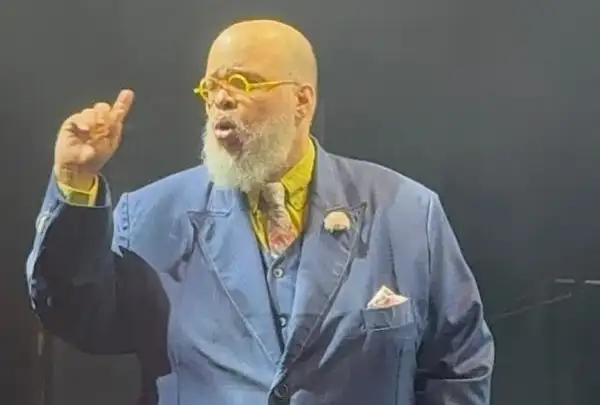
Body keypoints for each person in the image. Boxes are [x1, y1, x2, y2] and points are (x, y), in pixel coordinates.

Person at [26, 19, 495, 405]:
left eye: (242, 82)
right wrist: (75, 180)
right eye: (210, 86)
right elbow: (73, 314)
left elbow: (458, 362)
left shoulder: (407, 213)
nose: (220, 100)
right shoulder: (151, 215)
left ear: (302, 101)